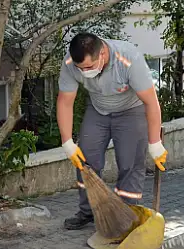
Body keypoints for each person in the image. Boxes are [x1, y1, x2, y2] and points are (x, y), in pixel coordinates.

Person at [56, 32, 168, 230]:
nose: (84, 72)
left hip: (131, 111)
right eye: (80, 68)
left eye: (89, 67)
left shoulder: (129, 59)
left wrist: (155, 143)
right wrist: (67, 142)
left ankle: (125, 216)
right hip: (98, 110)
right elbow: (65, 102)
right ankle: (88, 211)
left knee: (130, 163)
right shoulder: (70, 63)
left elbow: (151, 102)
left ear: (103, 53)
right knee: (86, 161)